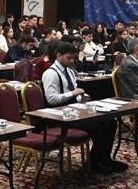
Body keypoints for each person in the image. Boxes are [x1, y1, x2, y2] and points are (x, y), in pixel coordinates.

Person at [41, 42, 125, 175]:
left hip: (75, 110)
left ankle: (104, 159)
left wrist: (81, 97)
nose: (72, 61)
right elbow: (52, 99)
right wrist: (73, 94)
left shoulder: (69, 71)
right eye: (68, 58)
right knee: (99, 126)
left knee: (110, 122)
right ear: (58, 55)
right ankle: (94, 163)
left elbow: (75, 92)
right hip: (59, 116)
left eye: (73, 58)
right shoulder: (50, 74)